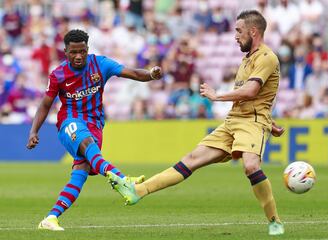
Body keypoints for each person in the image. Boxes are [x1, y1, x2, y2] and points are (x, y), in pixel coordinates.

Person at [111, 10, 285, 236]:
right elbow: (258, 96)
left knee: (251, 165)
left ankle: (275, 221)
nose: (235, 36)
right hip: (234, 121)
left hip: (252, 122)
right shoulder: (247, 59)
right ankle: (138, 191)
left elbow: (252, 91)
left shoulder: (267, 57)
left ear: (253, 31)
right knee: (191, 159)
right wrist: (271, 124)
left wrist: (217, 96)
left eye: (239, 31)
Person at [26, 29, 162, 231]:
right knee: (87, 143)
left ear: (87, 49)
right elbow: (46, 104)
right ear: (65, 51)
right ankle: (123, 180)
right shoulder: (58, 75)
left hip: (95, 124)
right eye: (73, 52)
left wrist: (151, 74)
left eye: (82, 51)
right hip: (69, 122)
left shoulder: (100, 64)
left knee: (80, 173)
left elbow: (132, 73)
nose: (78, 56)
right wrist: (33, 131)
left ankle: (51, 218)